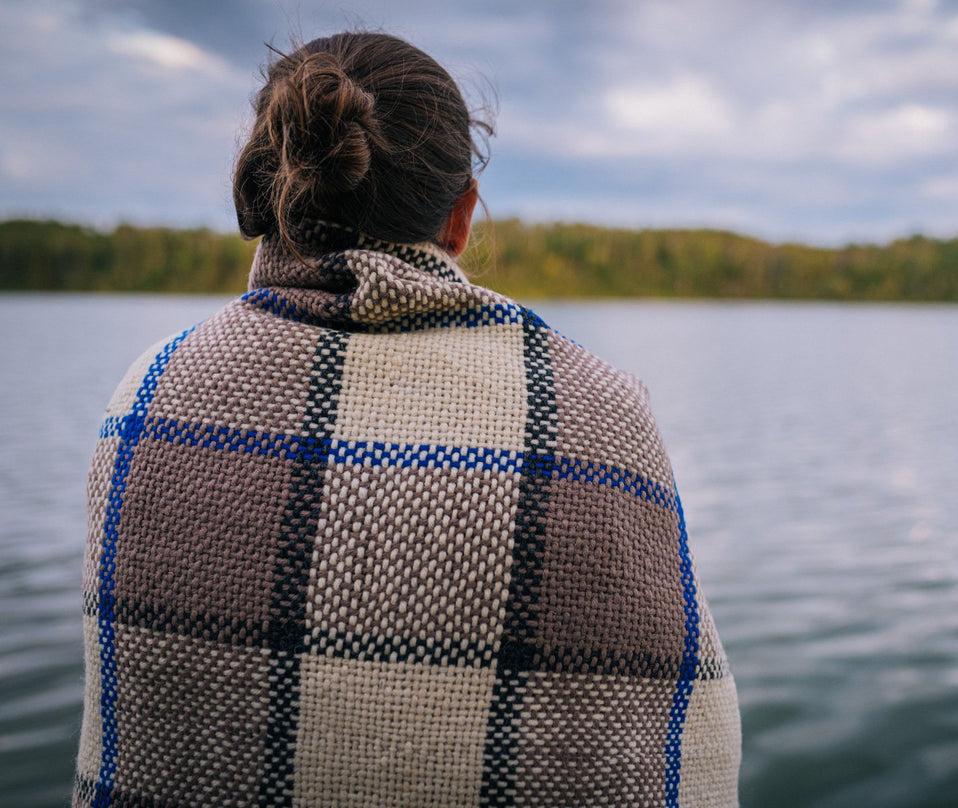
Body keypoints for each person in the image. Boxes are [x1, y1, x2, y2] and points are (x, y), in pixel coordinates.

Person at [74, 31, 740, 807]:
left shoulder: (147, 395)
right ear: (460, 219)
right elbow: (689, 748)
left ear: (271, 196)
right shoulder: (602, 419)